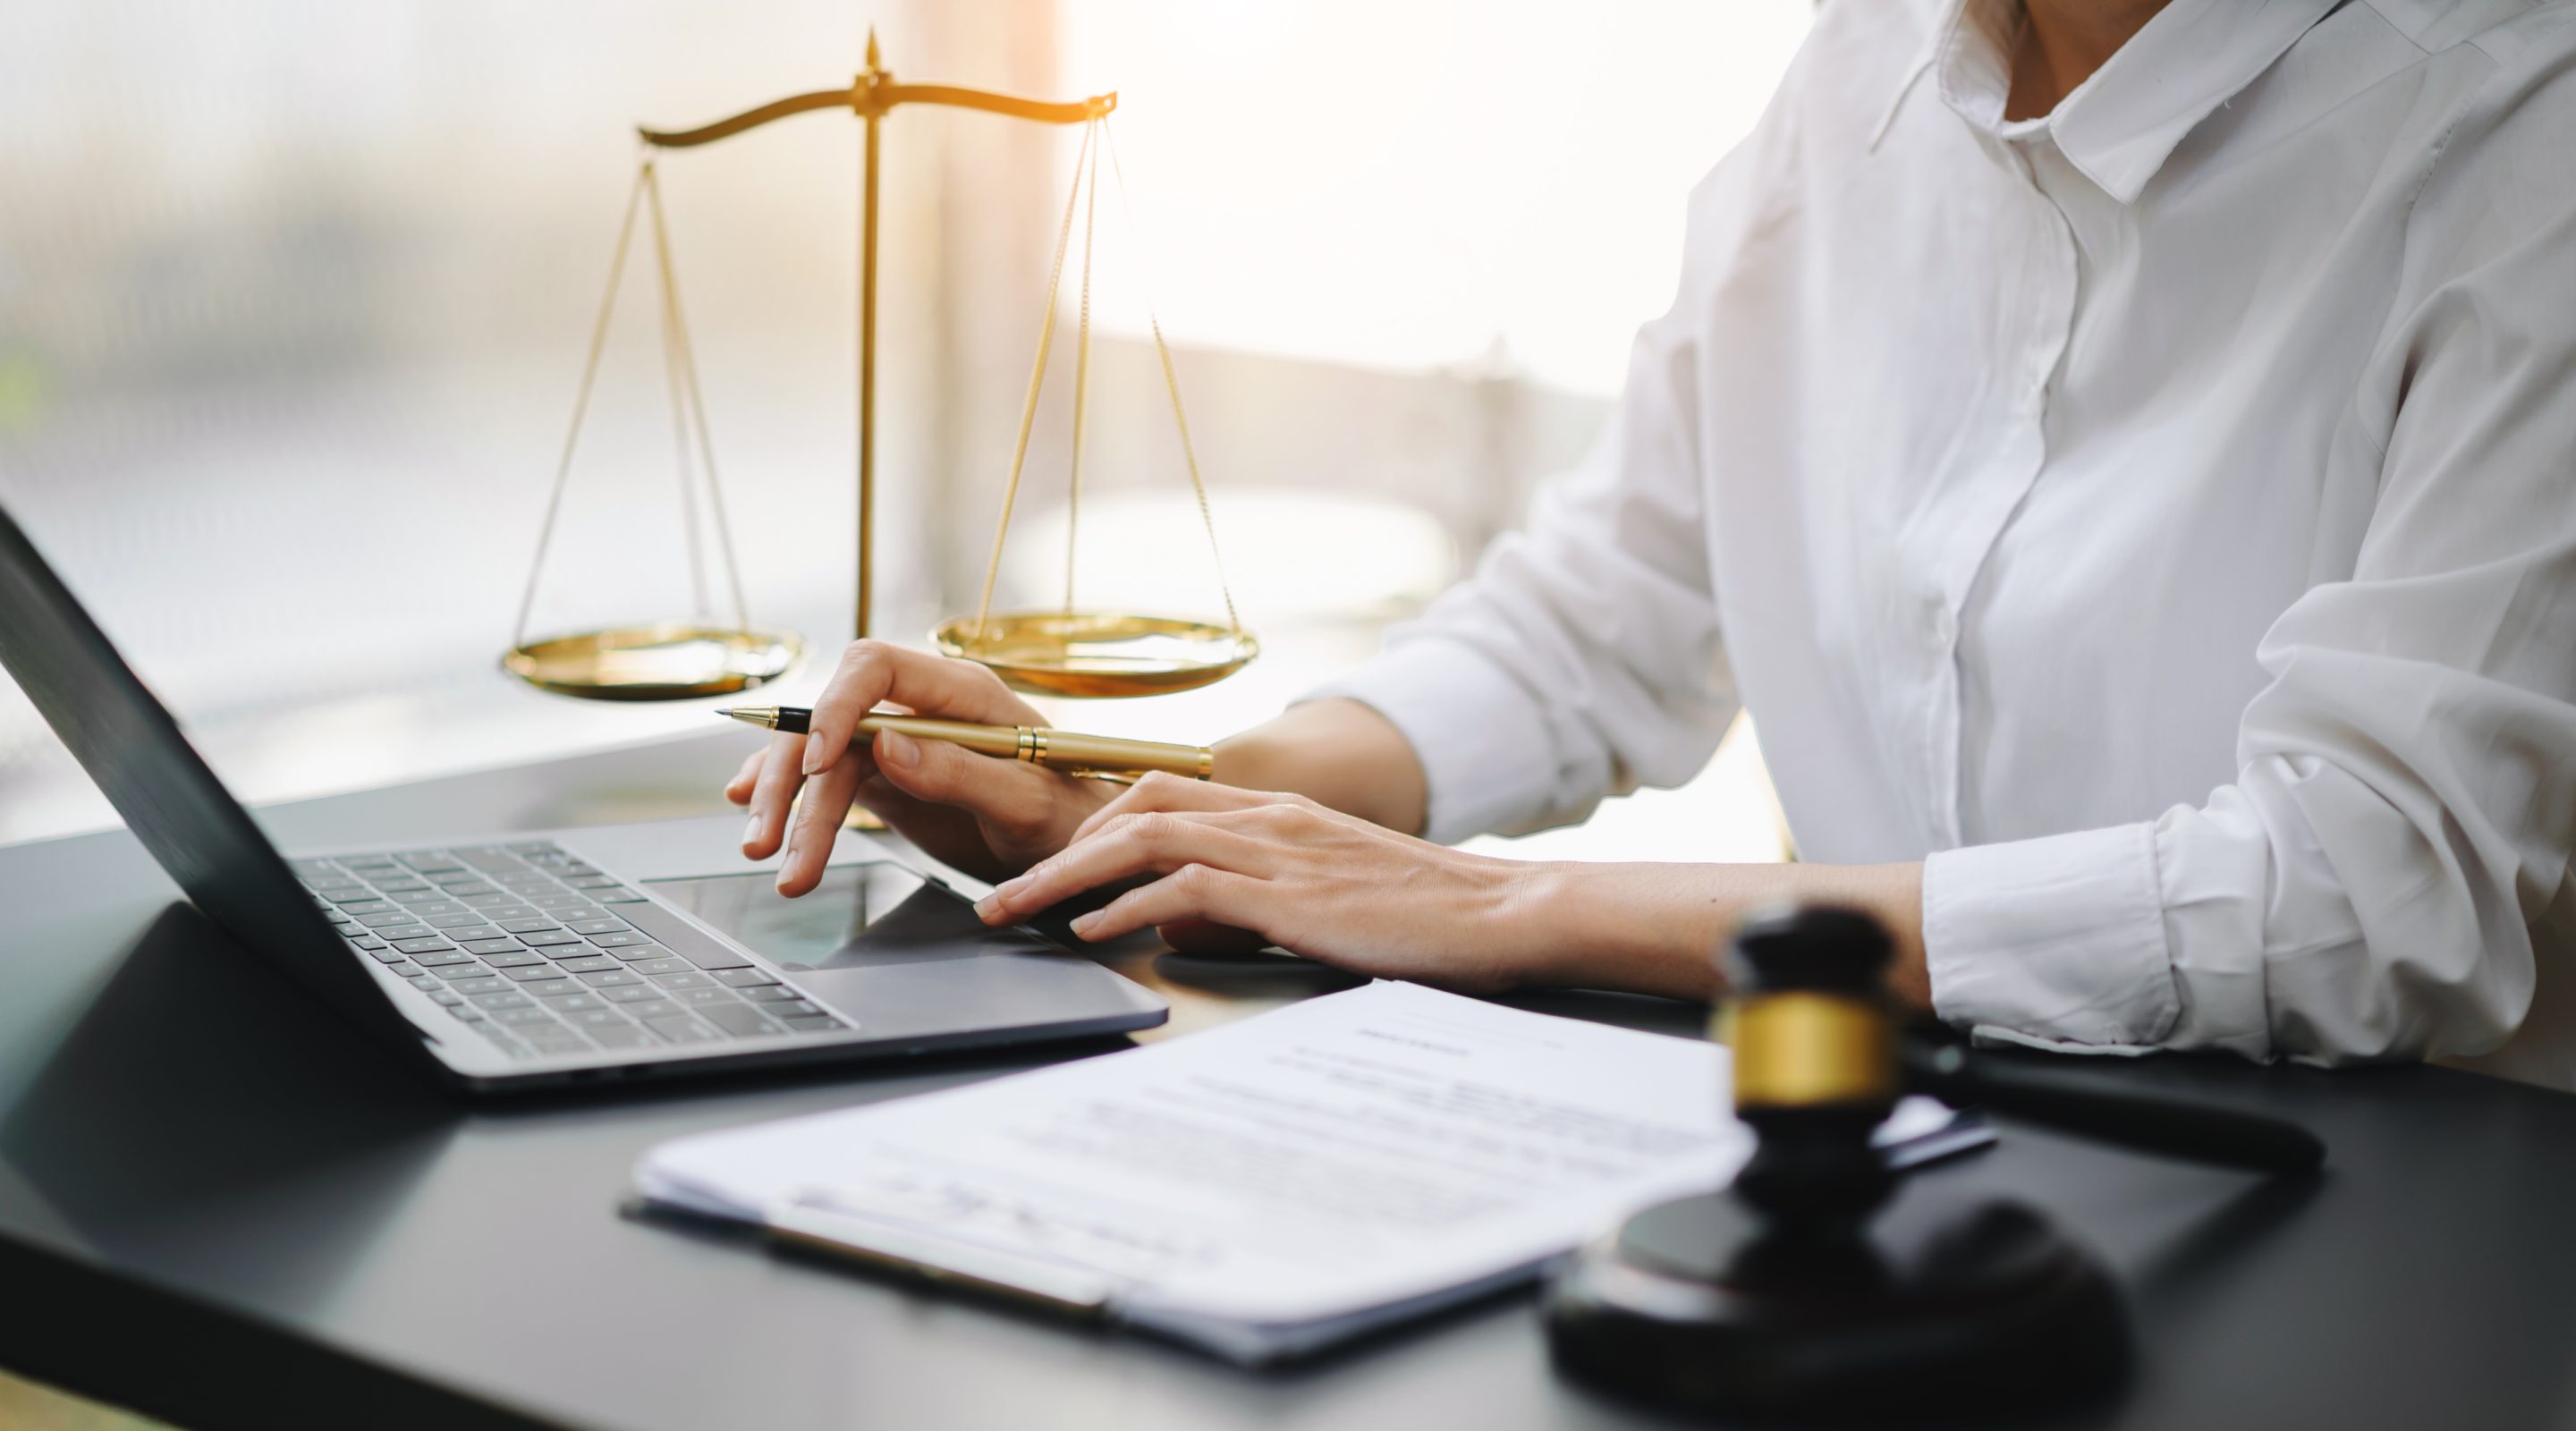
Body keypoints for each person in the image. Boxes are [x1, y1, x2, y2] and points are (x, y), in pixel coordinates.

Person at [730, 0, 2576, 1088]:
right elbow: (1591, 620)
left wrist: (1509, 912)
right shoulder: (1863, 83)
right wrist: (1142, 789)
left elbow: (2376, 891)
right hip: (1870, 1143)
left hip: (2382, 1223)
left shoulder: (2516, 129)